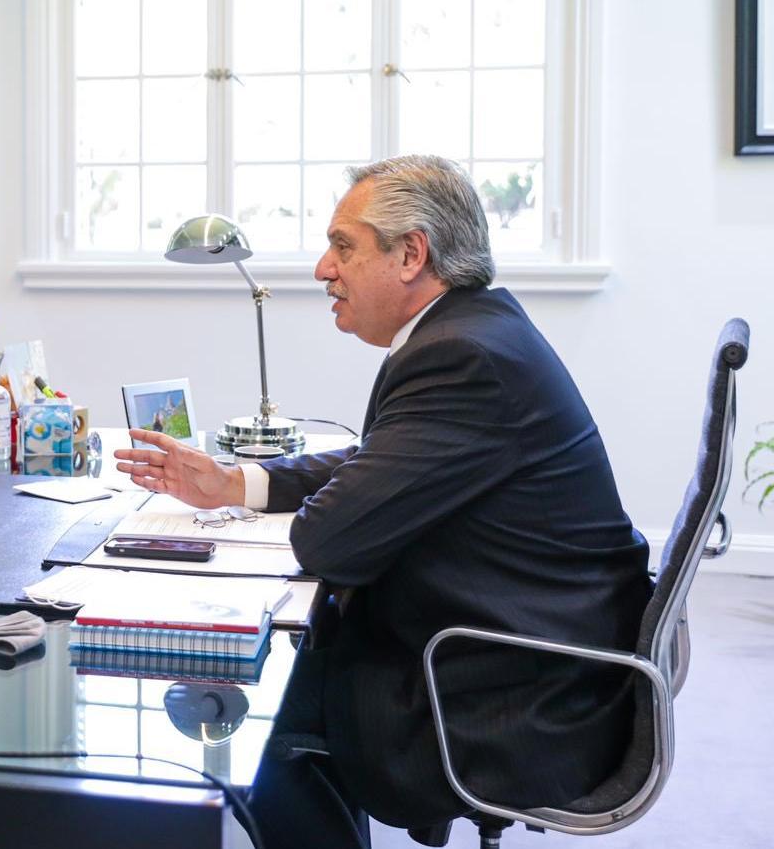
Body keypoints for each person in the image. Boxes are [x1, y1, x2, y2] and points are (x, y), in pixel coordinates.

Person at [115, 155, 651, 847]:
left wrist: (311, 508)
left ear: (411, 254)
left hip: (517, 694)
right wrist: (234, 483)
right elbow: (377, 464)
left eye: (343, 246)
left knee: (244, 697)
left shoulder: (464, 359)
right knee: (281, 659)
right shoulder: (474, 330)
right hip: (526, 648)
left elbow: (328, 542)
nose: (321, 270)